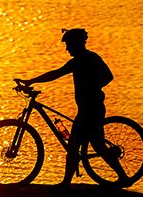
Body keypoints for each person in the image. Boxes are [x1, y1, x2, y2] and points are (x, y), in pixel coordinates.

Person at [15, 28, 130, 188]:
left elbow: (107, 76)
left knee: (79, 145)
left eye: (68, 45)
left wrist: (93, 86)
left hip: (91, 109)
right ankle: (118, 177)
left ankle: (68, 183)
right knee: (87, 144)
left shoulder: (85, 59)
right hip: (87, 109)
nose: (67, 48)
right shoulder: (81, 60)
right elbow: (56, 73)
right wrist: (31, 81)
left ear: (77, 44)